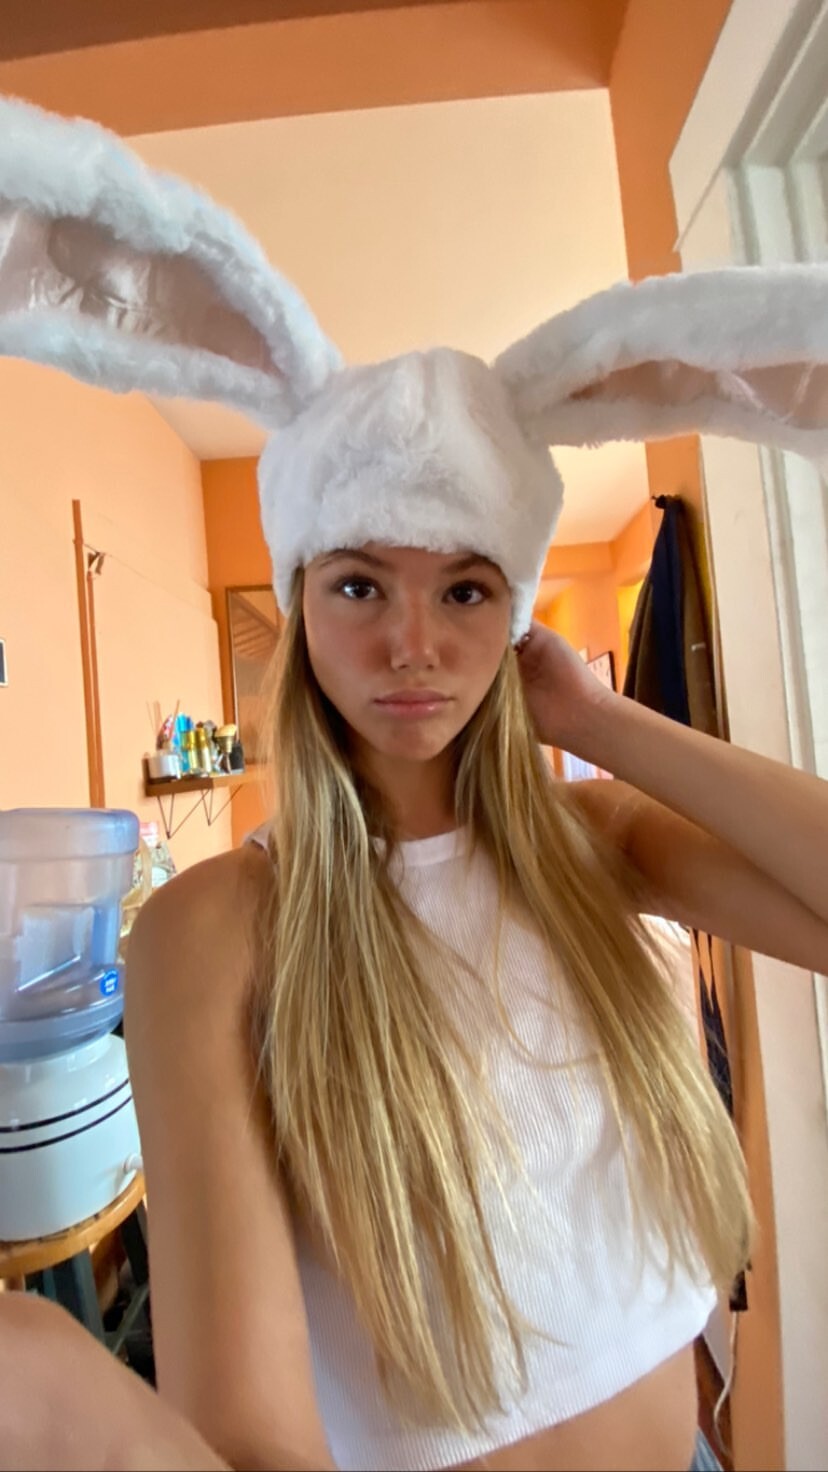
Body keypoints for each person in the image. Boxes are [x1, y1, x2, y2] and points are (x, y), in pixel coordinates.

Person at [0, 94, 827, 1472]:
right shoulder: (212, 933)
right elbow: (252, 1430)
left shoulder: (591, 840)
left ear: (514, 610)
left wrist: (604, 723)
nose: (412, 646)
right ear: (299, 600)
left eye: (465, 589)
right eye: (359, 584)